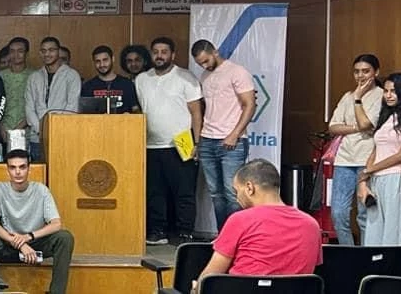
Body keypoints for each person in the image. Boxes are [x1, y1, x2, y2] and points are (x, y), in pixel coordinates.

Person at [193, 159, 321, 290]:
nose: (237, 198)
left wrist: (195, 289)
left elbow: (210, 278)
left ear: (249, 188)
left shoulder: (240, 220)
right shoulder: (312, 225)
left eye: (236, 191)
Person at [135, 36, 203, 245]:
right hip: (150, 144)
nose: (159, 56)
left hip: (183, 141)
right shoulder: (141, 79)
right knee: (155, 192)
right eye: (156, 52)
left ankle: (185, 232)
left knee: (184, 191)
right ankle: (158, 231)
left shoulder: (186, 77)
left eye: (164, 52)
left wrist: (197, 142)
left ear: (173, 55)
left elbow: (196, 113)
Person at [0, 149, 74, 294]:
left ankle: (57, 292)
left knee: (65, 237)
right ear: (7, 170)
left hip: (35, 244)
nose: (18, 172)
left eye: (22, 167)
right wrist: (20, 244)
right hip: (8, 244)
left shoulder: (41, 190)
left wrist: (29, 237)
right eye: (13, 167)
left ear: (29, 169)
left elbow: (56, 224)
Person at [192, 39, 257, 230]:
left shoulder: (237, 72)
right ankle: (223, 237)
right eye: (200, 64)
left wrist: (234, 134)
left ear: (215, 52)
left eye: (206, 61)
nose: (204, 66)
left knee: (233, 193)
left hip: (232, 142)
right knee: (216, 194)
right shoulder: (205, 76)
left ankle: (238, 237)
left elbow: (250, 104)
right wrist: (199, 141)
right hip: (207, 139)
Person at [326, 54, 383, 246]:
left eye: (366, 71)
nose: (360, 76)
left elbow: (368, 124)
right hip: (344, 160)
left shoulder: (381, 96)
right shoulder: (347, 97)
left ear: (376, 72)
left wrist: (358, 99)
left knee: (365, 214)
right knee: (338, 213)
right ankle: (348, 252)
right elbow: (333, 127)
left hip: (368, 160)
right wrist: (356, 128)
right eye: (357, 72)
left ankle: (365, 256)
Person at [359, 72, 401, 245]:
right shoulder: (386, 117)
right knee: (374, 233)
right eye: (386, 91)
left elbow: (400, 155)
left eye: (393, 91)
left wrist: (370, 169)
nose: (388, 95)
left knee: (393, 231)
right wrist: (364, 178)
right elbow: (375, 150)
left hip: (396, 178)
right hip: (376, 180)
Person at [25, 36, 81, 160]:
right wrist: (42, 130)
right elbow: (29, 108)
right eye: (43, 51)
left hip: (63, 136)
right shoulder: (34, 77)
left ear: (58, 52)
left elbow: (72, 108)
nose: (47, 54)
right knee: (38, 170)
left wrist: (56, 130)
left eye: (51, 50)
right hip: (37, 138)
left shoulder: (71, 75)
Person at [81, 45, 140, 114]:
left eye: (105, 60)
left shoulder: (127, 84)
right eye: (98, 61)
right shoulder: (88, 86)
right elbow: (84, 115)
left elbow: (136, 109)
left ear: (113, 59)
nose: (102, 64)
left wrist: (130, 116)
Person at [0, 37, 33, 149]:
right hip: (3, 130)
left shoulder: (35, 76)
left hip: (27, 130)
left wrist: (19, 128)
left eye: (20, 51)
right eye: (12, 51)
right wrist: (1, 126)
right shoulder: (0, 76)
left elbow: (37, 105)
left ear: (27, 53)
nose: (16, 55)